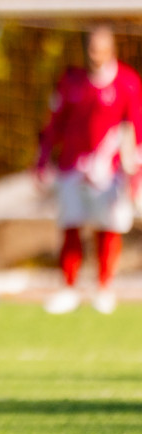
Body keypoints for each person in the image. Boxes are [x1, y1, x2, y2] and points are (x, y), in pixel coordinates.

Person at [36, 24, 141, 315]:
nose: (96, 54)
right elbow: (54, 122)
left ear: (112, 49)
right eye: (92, 48)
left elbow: (136, 128)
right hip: (73, 166)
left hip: (108, 171)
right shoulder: (71, 82)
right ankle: (69, 287)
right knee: (70, 224)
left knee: (107, 227)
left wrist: (136, 172)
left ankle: (104, 288)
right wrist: (42, 159)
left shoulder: (128, 82)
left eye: (102, 48)